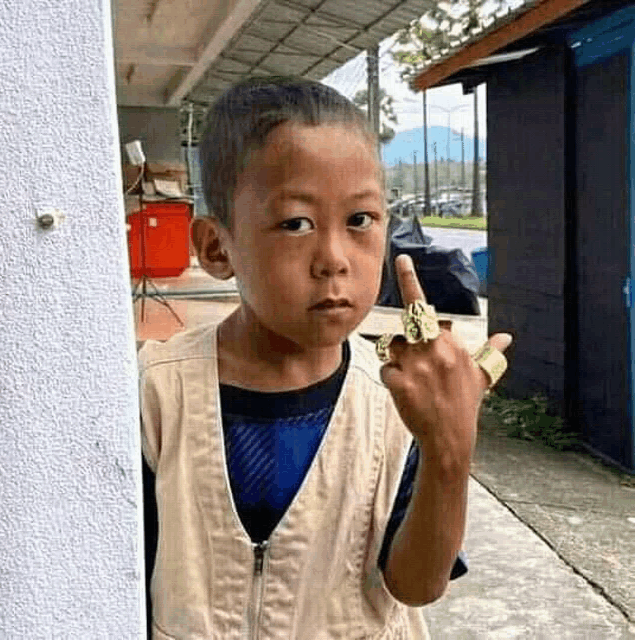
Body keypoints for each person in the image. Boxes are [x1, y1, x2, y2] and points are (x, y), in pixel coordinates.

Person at [139, 76, 513, 639]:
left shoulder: (398, 400)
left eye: (360, 220)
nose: (334, 260)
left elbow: (414, 587)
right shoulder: (156, 396)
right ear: (218, 248)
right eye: (296, 224)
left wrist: (449, 449)